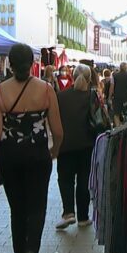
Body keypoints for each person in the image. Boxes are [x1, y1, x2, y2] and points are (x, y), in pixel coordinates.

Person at [0, 43, 63, 253]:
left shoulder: (0, 91)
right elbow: (58, 131)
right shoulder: (46, 90)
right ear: (32, 64)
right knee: (37, 207)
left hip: (10, 157)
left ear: (9, 63)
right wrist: (54, 150)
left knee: (17, 208)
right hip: (38, 156)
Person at [54, 65, 96, 231]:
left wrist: (55, 145)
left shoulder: (60, 96)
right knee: (84, 181)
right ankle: (84, 217)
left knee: (65, 179)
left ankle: (68, 213)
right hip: (87, 145)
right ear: (89, 79)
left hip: (66, 145)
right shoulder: (92, 97)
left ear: (72, 77)